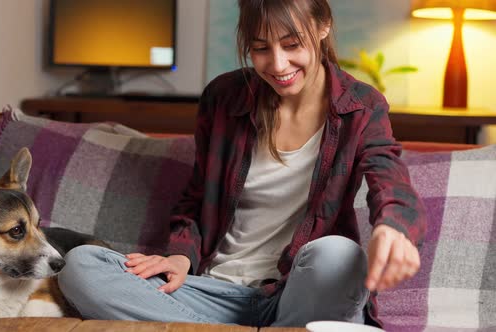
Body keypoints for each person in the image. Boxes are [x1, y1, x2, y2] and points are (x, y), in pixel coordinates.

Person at [58, 0, 426, 328]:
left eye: (292, 44)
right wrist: (180, 257)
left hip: (298, 293)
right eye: (261, 48)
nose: (278, 65)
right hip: (212, 292)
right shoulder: (224, 97)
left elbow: (389, 177)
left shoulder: (361, 106)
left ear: (322, 25)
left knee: (339, 255)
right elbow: (197, 196)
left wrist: (394, 227)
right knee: (81, 267)